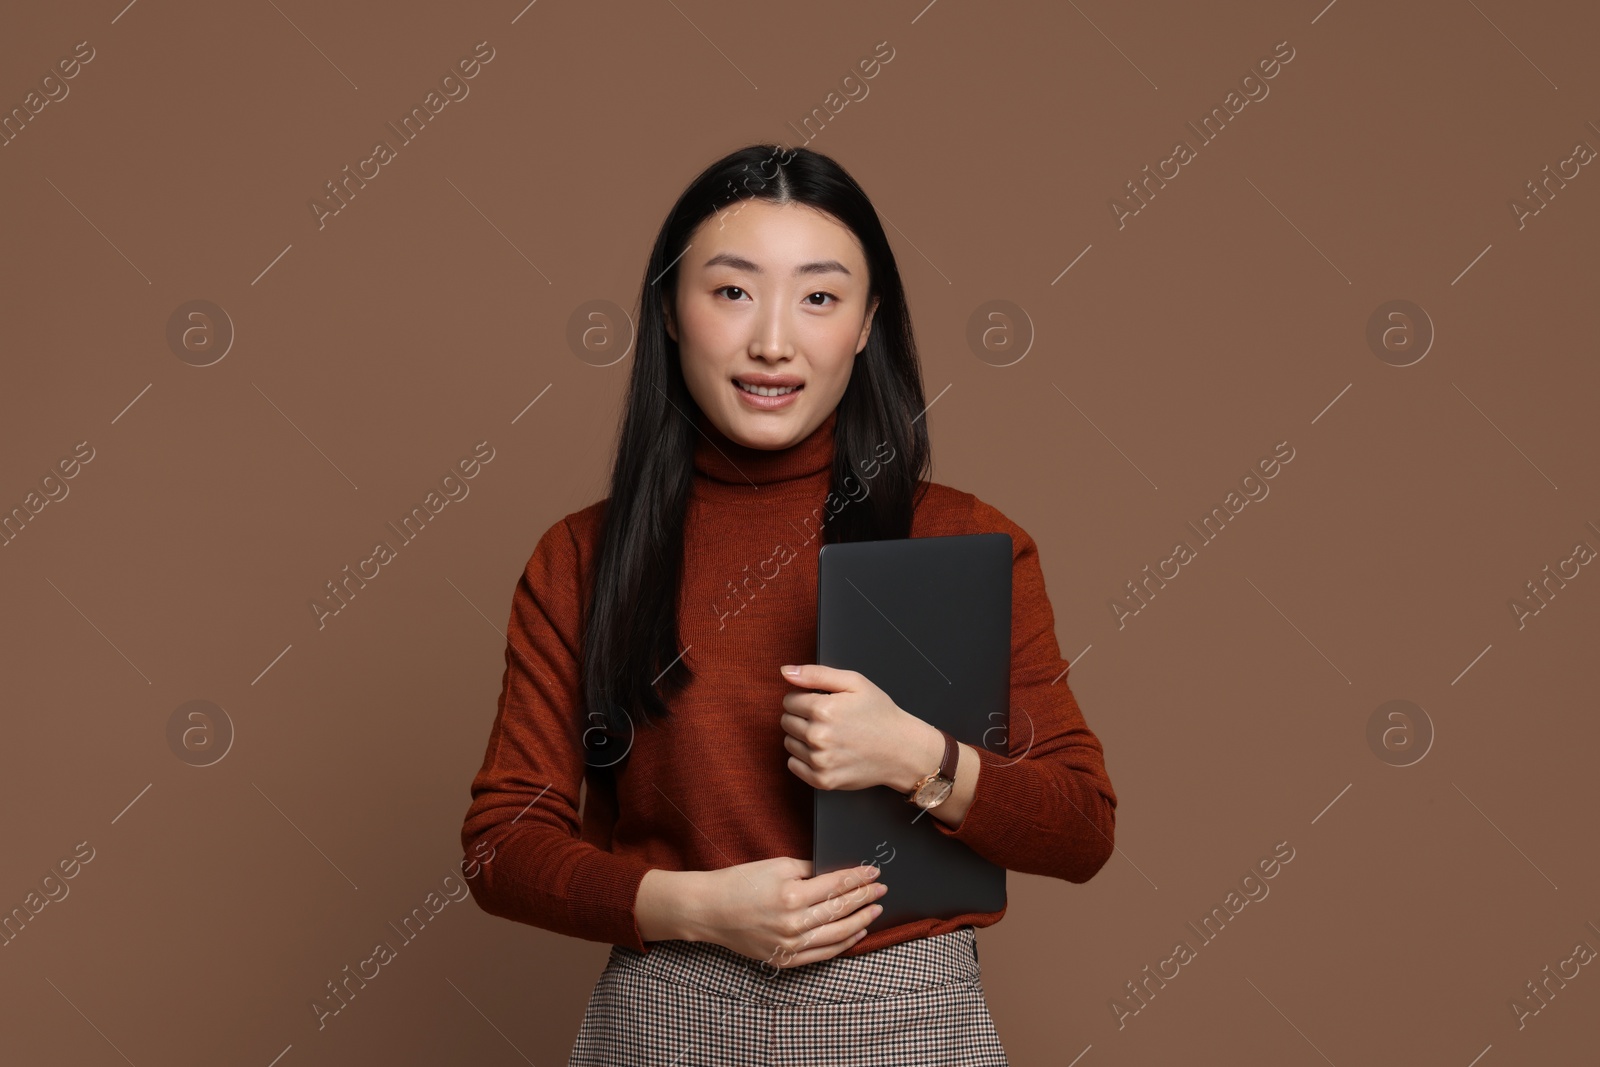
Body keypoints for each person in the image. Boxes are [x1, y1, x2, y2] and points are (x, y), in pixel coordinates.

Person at [459, 143, 1118, 1066]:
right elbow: (501, 846)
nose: (773, 340)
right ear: (668, 311)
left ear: (866, 323)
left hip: (907, 1025)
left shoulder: (966, 540)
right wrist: (693, 905)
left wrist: (915, 756)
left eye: (819, 295)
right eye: (732, 291)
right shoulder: (582, 556)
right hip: (666, 1020)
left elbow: (1082, 827)